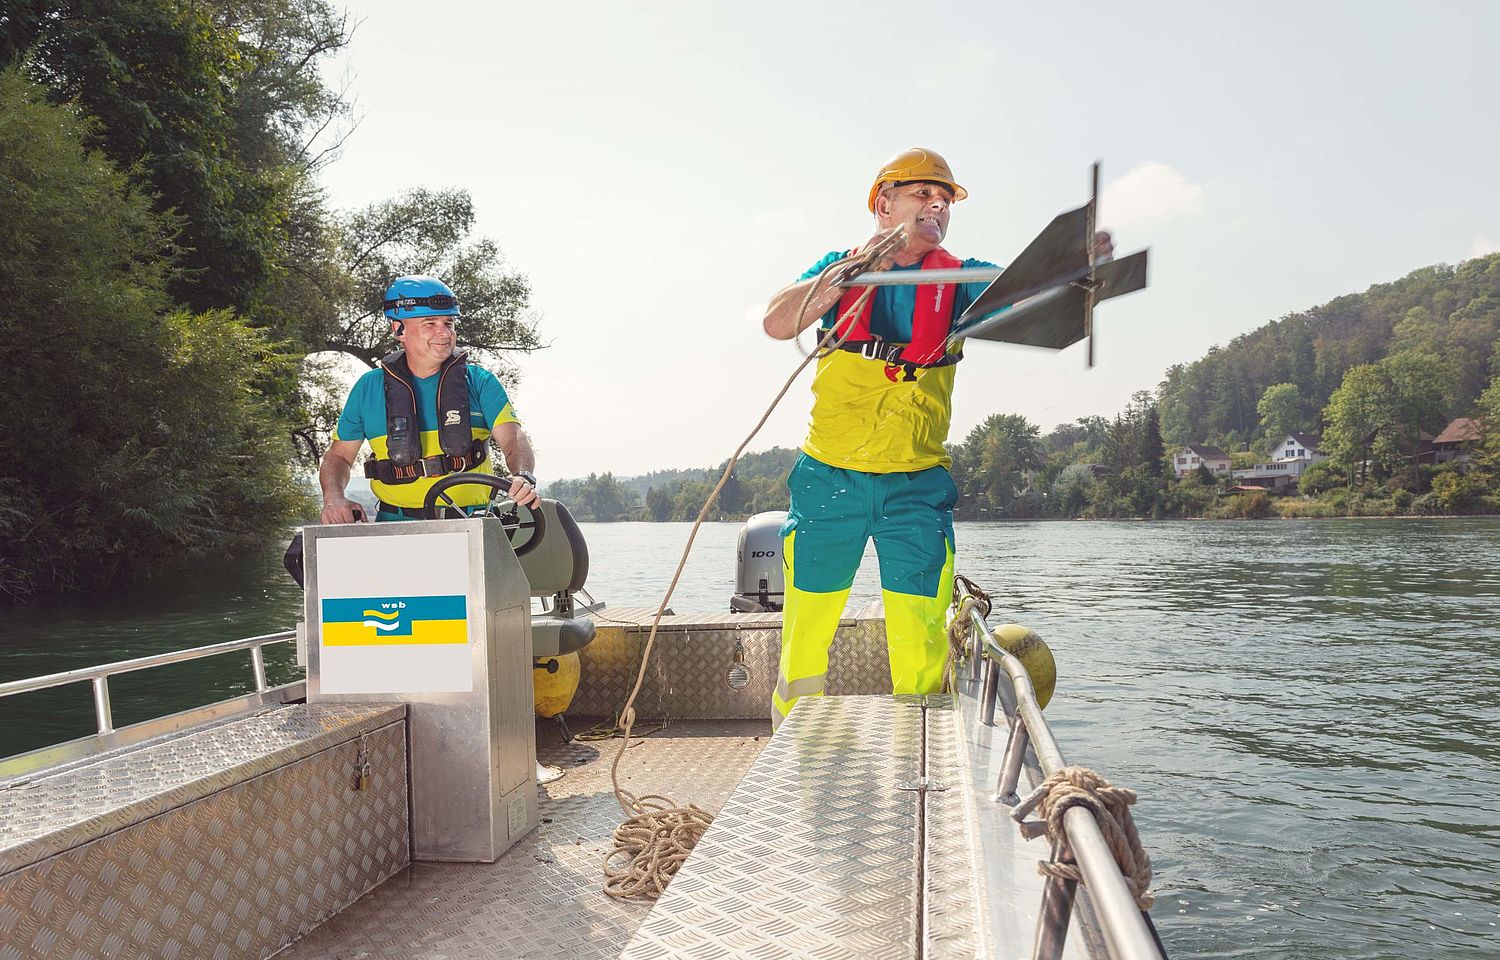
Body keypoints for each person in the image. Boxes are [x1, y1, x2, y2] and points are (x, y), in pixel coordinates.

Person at [760, 147, 1110, 729]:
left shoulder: (961, 277)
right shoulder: (839, 270)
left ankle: (915, 755)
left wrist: (1077, 266)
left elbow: (1034, 291)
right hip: (829, 482)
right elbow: (777, 322)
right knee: (805, 635)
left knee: (921, 642)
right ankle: (793, 746)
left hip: (915, 489)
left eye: (944, 199)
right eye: (923, 194)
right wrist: (853, 269)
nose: (937, 205)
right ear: (882, 203)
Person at [319, 275, 540, 524]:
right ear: (398, 328)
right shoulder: (367, 388)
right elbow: (339, 457)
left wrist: (522, 474)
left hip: (472, 524)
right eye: (430, 323)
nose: (444, 333)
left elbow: (513, 438)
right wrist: (334, 497)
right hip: (395, 527)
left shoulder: (480, 382)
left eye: (449, 323)